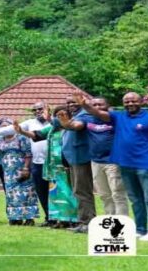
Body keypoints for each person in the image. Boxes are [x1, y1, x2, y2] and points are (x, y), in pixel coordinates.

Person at [77, 92, 148, 240]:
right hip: (125, 164)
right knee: (135, 198)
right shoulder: (118, 117)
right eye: (126, 101)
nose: (130, 104)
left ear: (141, 102)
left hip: (146, 164)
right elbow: (97, 113)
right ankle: (140, 229)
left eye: (133, 101)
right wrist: (84, 104)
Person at [61, 97, 129, 216]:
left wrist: (88, 106)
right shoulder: (87, 118)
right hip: (96, 161)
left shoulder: (114, 118)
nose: (97, 107)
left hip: (113, 161)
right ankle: (110, 220)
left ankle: (122, 222)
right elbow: (77, 125)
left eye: (100, 104)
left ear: (107, 105)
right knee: (104, 195)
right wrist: (68, 124)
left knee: (117, 193)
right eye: (94, 105)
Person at [17, 106, 79, 229]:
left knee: (68, 194)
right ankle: (59, 220)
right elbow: (37, 135)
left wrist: (50, 118)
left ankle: (73, 220)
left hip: (67, 166)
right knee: (55, 195)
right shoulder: (52, 128)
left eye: (63, 114)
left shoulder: (71, 128)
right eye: (57, 115)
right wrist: (21, 131)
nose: (60, 117)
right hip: (53, 168)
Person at [0, 122, 39, 225]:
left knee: (26, 193)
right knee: (12, 195)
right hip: (8, 173)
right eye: (2, 127)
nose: (5, 129)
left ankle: (29, 218)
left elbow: (28, 154)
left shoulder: (21, 138)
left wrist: (26, 168)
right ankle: (15, 218)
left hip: (22, 169)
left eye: (7, 127)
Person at [55, 94, 96, 233]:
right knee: (77, 191)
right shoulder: (73, 116)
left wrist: (68, 124)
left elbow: (78, 126)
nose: (71, 104)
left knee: (82, 191)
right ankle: (83, 221)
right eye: (68, 103)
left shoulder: (85, 115)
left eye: (74, 102)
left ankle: (88, 222)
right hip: (73, 159)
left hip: (81, 159)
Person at [19, 102, 51, 226]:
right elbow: (12, 129)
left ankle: (62, 218)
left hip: (54, 163)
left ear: (47, 109)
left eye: (40, 109)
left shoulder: (54, 121)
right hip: (37, 163)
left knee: (56, 192)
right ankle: (49, 218)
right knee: (42, 192)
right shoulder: (30, 123)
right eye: (35, 110)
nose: (37, 111)